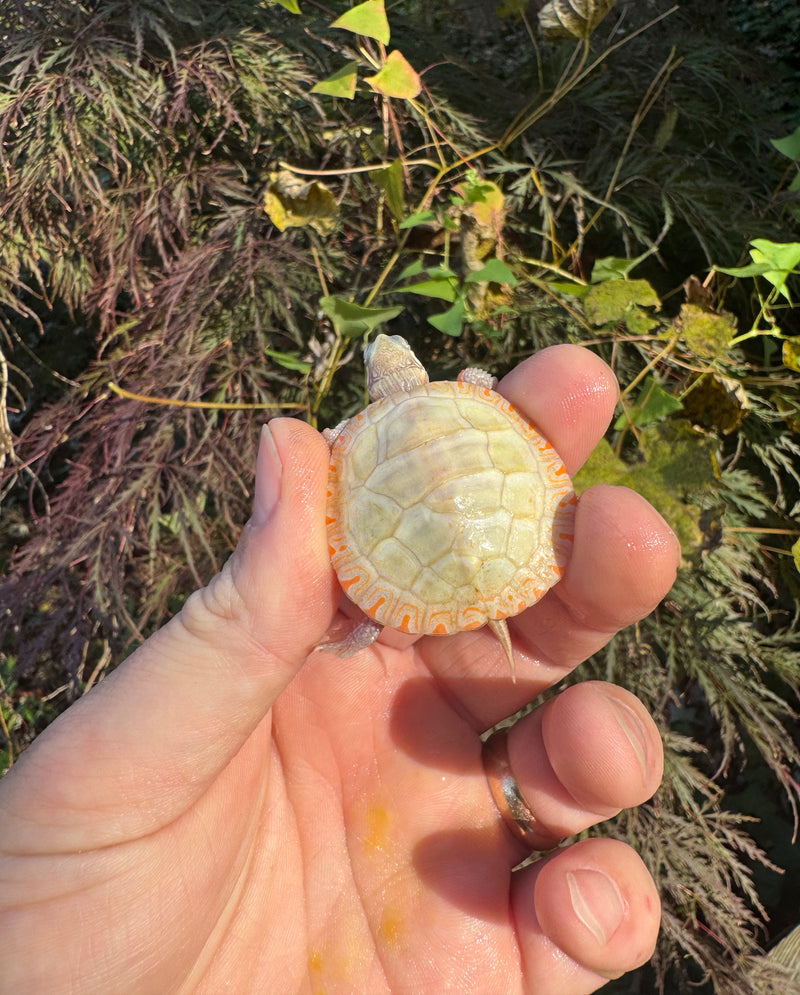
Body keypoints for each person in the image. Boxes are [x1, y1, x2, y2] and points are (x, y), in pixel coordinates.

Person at [0, 344, 680, 995]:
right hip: (498, 516)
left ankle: (363, 629)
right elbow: (479, 380)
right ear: (416, 368)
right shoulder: (470, 393)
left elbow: (338, 484)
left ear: (376, 379)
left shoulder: (353, 435)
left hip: (407, 568)